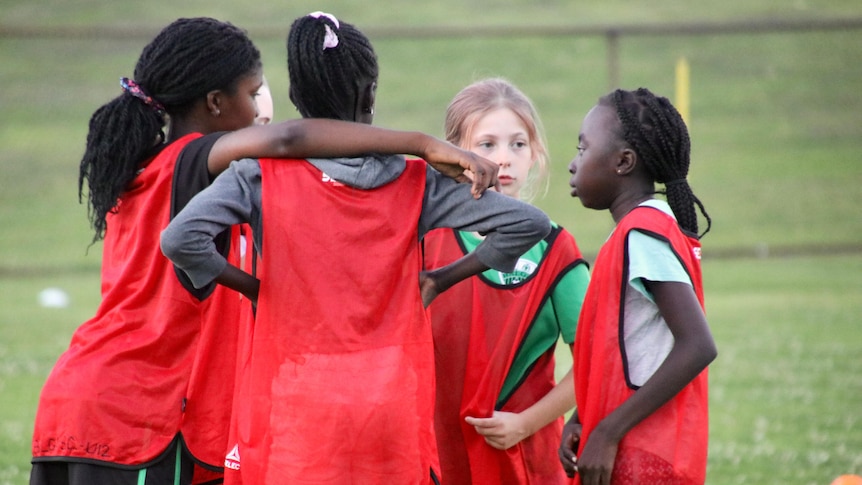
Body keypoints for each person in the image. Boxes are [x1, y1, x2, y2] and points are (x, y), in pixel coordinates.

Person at [30, 16, 499, 485]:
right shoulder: (190, 160)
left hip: (83, 400)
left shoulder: (142, 167)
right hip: (139, 413)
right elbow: (288, 140)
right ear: (215, 103)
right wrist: (419, 144)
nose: (261, 109)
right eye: (252, 94)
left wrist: (256, 288)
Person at [160, 12, 552, 485]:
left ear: (296, 98)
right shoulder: (415, 182)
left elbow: (180, 240)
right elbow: (528, 223)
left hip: (296, 411)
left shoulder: (260, 176)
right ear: (369, 94)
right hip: (390, 411)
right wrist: (442, 278)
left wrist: (255, 288)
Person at [421, 78, 590, 484]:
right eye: (487, 145)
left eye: (518, 144)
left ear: (535, 154)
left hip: (525, 457)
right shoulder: (425, 241)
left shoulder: (556, 249)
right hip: (434, 454)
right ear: (454, 153)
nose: (504, 159)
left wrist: (527, 422)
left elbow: (594, 360)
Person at [558, 87, 717, 484]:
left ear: (623, 162)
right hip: (632, 450)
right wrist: (585, 416)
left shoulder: (643, 233)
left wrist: (608, 432)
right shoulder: (636, 232)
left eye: (582, 149)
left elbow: (698, 345)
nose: (572, 164)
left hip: (645, 456)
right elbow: (632, 349)